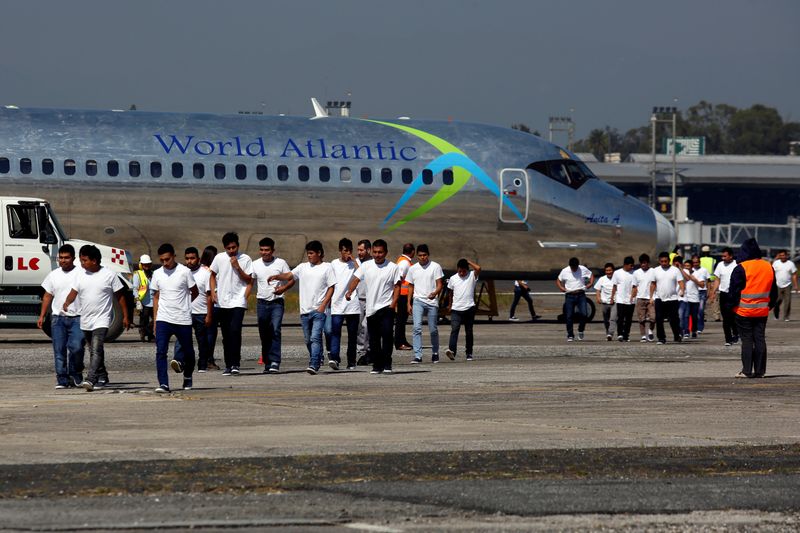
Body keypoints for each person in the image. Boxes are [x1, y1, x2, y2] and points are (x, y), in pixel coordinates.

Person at [62, 244, 130, 392]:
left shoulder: (109, 275)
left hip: (102, 319)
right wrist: (67, 302)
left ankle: (91, 378)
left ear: (94, 260)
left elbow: (120, 296)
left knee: (96, 350)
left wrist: (126, 316)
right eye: (81, 260)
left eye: (84, 260)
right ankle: (103, 376)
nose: (82, 263)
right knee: (93, 350)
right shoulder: (80, 275)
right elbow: (74, 292)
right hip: (86, 319)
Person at [270, 241, 335, 374]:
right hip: (304, 310)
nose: (309, 256)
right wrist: (277, 276)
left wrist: (323, 305)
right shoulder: (303, 267)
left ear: (319, 253)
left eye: (311, 253)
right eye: (308, 254)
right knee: (307, 339)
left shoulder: (327, 267)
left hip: (318, 310)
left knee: (315, 337)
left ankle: (314, 363)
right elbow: (289, 276)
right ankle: (317, 356)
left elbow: (332, 287)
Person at [345, 239, 401, 374]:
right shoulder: (366, 265)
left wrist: (393, 303)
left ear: (385, 252)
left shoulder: (393, 267)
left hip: (386, 307)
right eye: (375, 252)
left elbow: (397, 286)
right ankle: (377, 365)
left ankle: (387, 364)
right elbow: (356, 279)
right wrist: (350, 291)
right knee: (374, 339)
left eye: (380, 252)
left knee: (387, 335)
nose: (377, 255)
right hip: (371, 308)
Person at [150, 243, 199, 393]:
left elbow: (195, 291)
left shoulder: (184, 272)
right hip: (163, 318)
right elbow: (156, 297)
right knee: (160, 351)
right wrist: (155, 320)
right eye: (162, 260)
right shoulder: (157, 273)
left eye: (168, 259)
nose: (165, 263)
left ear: (174, 256)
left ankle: (188, 376)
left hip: (182, 318)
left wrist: (185, 305)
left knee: (188, 351)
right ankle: (163, 383)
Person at [37, 244, 85, 389]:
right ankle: (62, 379)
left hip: (77, 317)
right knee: (59, 351)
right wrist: (42, 315)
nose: (63, 260)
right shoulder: (53, 275)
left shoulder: (81, 273)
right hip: (58, 318)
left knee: (77, 347)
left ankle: (75, 374)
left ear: (73, 258)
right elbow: (47, 296)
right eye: (61, 258)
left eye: (67, 258)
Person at [729, 238, 778, 378]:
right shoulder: (768, 266)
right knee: (760, 339)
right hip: (762, 310)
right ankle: (760, 371)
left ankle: (747, 370)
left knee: (747, 340)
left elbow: (734, 291)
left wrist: (730, 307)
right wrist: (770, 305)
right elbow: (773, 290)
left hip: (743, 311)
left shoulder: (741, 267)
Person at [209, 232, 254, 376]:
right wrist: (213, 291)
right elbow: (212, 275)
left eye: (234, 247)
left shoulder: (245, 259)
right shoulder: (219, 258)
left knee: (235, 331)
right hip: (222, 302)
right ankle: (228, 364)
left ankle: (235, 363)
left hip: (238, 301)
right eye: (228, 248)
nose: (231, 250)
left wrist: (237, 267)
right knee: (226, 334)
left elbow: (249, 279)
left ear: (238, 246)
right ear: (224, 248)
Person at [251, 237, 294, 374]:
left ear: (272, 250)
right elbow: (249, 281)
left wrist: (283, 289)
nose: (264, 253)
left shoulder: (280, 263)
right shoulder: (255, 264)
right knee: (264, 333)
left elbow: (291, 279)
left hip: (277, 302)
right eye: (262, 250)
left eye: (267, 250)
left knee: (275, 330)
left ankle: (275, 361)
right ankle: (267, 361)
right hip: (261, 303)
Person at [175, 247, 214, 373]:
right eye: (187, 258)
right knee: (181, 338)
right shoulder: (181, 272)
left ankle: (202, 364)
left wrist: (209, 314)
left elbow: (209, 295)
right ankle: (179, 361)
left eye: (192, 258)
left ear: (198, 259)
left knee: (202, 340)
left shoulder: (205, 273)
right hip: (185, 312)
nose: (189, 261)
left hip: (201, 312)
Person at [406, 244, 444, 364]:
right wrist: (408, 302)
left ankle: (435, 353)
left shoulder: (435, 266)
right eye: (420, 255)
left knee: (433, 329)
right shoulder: (412, 269)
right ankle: (418, 355)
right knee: (417, 328)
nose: (422, 257)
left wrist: (435, 293)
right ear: (417, 255)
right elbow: (410, 286)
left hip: (432, 301)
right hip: (418, 300)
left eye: (425, 255)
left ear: (428, 255)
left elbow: (440, 284)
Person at [329, 238, 361, 370]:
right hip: (337, 304)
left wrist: (354, 261)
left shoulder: (356, 263)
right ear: (340, 251)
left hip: (352, 304)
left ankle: (351, 361)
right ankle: (335, 358)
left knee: (352, 335)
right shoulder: (334, 263)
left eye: (349, 250)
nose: (347, 253)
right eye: (345, 251)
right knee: (335, 332)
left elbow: (362, 274)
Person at [445, 258, 481, 361]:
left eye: (463, 271)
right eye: (459, 271)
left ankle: (469, 353)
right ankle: (452, 351)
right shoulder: (453, 278)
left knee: (468, 331)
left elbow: (478, 268)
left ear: (467, 269)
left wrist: (468, 261)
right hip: (456, 309)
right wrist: (450, 305)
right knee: (454, 329)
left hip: (469, 307)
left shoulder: (472, 276)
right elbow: (450, 292)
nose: (461, 273)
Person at [650, 251, 684, 344]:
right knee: (659, 318)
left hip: (672, 298)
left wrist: (682, 290)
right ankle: (661, 338)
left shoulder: (675, 270)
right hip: (659, 298)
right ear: (659, 261)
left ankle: (677, 335)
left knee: (673, 319)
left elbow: (681, 282)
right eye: (662, 261)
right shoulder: (655, 270)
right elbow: (653, 284)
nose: (664, 263)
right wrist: (651, 297)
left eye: (666, 261)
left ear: (669, 261)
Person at [556, 257, 593, 342]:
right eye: (572, 267)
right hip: (569, 295)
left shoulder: (582, 269)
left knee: (584, 314)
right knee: (569, 316)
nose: (574, 269)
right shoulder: (565, 271)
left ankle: (580, 330)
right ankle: (570, 335)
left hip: (580, 294)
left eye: (575, 267)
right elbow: (558, 280)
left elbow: (591, 275)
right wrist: (561, 287)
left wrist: (590, 283)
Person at [709, 247, 739, 346]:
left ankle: (736, 333)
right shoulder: (720, 265)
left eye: (725, 256)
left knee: (733, 317)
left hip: (735, 294)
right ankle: (728, 339)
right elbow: (717, 279)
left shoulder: (737, 264)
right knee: (725, 318)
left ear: (731, 256)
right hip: (724, 294)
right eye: (722, 256)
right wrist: (713, 292)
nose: (723, 258)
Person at [200, 246, 220, 371]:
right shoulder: (211, 272)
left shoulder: (198, 269)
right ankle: (208, 359)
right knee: (210, 334)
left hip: (197, 306)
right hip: (211, 305)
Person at [394, 243, 415, 350]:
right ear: (413, 251)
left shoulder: (404, 261)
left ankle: (403, 340)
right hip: (402, 295)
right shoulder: (404, 263)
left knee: (402, 320)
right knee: (400, 320)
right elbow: (399, 279)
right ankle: (399, 342)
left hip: (404, 295)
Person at [355, 239, 372, 366]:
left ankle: (368, 351)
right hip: (358, 299)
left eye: (361, 250)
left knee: (368, 327)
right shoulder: (354, 262)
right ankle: (361, 353)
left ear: (368, 250)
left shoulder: (373, 262)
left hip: (371, 299)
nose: (359, 252)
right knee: (359, 327)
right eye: (358, 250)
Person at [631, 253, 656, 342]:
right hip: (640, 298)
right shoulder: (636, 273)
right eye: (641, 263)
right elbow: (634, 286)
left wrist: (653, 296)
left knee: (653, 317)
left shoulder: (653, 271)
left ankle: (650, 331)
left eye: (645, 263)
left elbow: (655, 283)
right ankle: (643, 336)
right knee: (641, 319)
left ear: (648, 263)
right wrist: (632, 297)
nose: (643, 265)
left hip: (651, 298)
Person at [679, 258, 705, 339]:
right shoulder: (681, 274)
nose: (686, 267)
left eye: (688, 266)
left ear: (691, 266)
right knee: (685, 316)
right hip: (686, 298)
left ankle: (694, 330)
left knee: (694, 316)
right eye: (685, 266)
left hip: (695, 298)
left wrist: (695, 280)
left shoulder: (697, 273)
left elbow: (702, 285)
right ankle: (686, 331)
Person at [611, 256, 636, 342]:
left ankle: (626, 335)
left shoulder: (634, 273)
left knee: (629, 319)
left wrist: (633, 297)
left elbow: (635, 287)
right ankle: (620, 334)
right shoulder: (617, 273)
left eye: (633, 265)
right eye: (630, 265)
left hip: (631, 300)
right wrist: (612, 297)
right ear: (625, 265)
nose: (632, 267)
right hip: (620, 299)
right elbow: (614, 286)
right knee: (620, 317)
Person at [772, 249, 798, 321]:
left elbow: (794, 275)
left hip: (788, 285)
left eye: (783, 255)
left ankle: (786, 317)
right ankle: (776, 315)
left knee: (788, 301)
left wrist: (796, 286)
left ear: (787, 255)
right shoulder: (776, 263)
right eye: (781, 255)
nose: (782, 257)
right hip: (777, 285)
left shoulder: (791, 264)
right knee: (777, 302)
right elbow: (770, 271)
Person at [133, 254, 154, 342]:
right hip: (144, 302)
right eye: (145, 264)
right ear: (141, 264)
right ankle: (144, 333)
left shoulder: (153, 274)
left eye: (148, 264)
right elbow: (135, 288)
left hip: (153, 301)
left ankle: (149, 333)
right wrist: (138, 300)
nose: (147, 266)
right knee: (144, 320)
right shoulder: (138, 274)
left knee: (155, 319)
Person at [594, 263, 617, 341]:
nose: (608, 272)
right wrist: (598, 297)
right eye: (607, 270)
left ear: (613, 271)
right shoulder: (602, 279)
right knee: (606, 320)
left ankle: (610, 333)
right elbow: (598, 289)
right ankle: (608, 332)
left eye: (610, 270)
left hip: (615, 302)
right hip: (604, 302)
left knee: (613, 319)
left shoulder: (616, 279)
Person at [691, 254, 711, 334]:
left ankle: (700, 327)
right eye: (694, 262)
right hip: (692, 293)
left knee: (701, 310)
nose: (695, 264)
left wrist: (708, 291)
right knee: (693, 312)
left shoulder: (704, 270)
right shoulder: (689, 270)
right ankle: (693, 327)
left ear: (700, 262)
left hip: (702, 292)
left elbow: (708, 281)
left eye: (697, 262)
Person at [699, 246, 719, 323]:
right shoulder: (713, 260)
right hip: (712, 280)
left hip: (702, 280)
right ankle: (716, 316)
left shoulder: (699, 260)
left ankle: (703, 315)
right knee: (714, 298)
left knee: (702, 298)